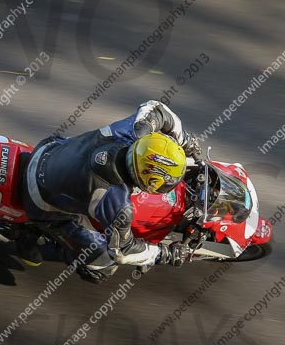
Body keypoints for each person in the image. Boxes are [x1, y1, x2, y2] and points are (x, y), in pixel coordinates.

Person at [18, 100, 202, 283]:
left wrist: (184, 140)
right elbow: (124, 251)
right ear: (150, 179)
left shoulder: (131, 132)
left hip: (47, 150)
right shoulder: (117, 203)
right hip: (38, 198)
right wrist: (165, 254)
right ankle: (35, 240)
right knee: (105, 263)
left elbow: (156, 108)